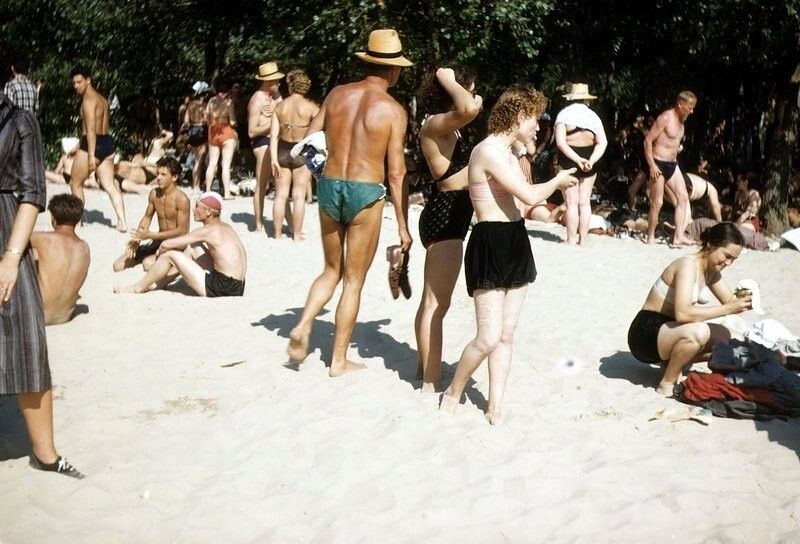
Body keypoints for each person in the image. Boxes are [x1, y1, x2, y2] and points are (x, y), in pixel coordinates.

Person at [439, 85, 578, 424]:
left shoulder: (508, 151)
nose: (538, 128)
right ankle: (453, 391)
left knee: (506, 335)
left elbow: (521, 200)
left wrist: (524, 146)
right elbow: (529, 196)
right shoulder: (488, 151)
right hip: (489, 240)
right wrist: (558, 180)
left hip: (514, 238)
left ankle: (495, 404)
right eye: (534, 120)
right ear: (519, 116)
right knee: (487, 337)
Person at [286, 28, 413, 377]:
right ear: (394, 70)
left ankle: (303, 324)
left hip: (329, 185)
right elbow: (397, 173)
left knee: (331, 270)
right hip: (365, 192)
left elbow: (308, 140)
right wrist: (403, 226)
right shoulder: (393, 111)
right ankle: (338, 361)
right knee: (353, 281)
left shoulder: (337, 94)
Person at [0, 93, 84, 477]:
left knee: (25, 340)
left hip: (7, 232)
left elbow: (33, 194)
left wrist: (11, 257)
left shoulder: (19, 121)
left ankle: (45, 453)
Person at [412, 65, 481, 391]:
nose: (473, 94)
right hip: (445, 216)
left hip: (449, 214)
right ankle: (430, 380)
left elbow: (470, 108)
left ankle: (423, 366)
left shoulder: (447, 126)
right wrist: (447, 78)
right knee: (437, 305)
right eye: (469, 87)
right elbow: (469, 107)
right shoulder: (434, 123)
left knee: (432, 302)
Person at [627, 222, 752, 397]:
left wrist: (747, 298)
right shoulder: (687, 265)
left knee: (736, 340)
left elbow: (730, 301)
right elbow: (683, 313)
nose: (729, 263)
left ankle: (672, 362)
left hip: (671, 330)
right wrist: (728, 308)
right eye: (727, 256)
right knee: (700, 332)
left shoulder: (711, 271)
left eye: (734, 259)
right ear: (711, 245)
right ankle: (667, 383)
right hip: (646, 333)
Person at [115, 191, 246, 297]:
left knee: (170, 255)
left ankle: (137, 288)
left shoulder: (208, 231)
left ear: (208, 211)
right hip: (238, 286)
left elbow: (166, 244)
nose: (193, 210)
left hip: (223, 287)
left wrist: (159, 252)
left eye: (197, 206)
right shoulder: (226, 227)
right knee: (192, 247)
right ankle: (157, 283)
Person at [69, 65, 128, 232]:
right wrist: (79, 146)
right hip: (107, 143)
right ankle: (122, 221)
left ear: (88, 80)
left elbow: (91, 131)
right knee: (109, 185)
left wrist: (90, 156)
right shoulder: (102, 99)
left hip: (92, 145)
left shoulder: (88, 102)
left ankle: (78, 221)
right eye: (74, 83)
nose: (76, 86)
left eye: (79, 82)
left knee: (75, 183)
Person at [113, 156, 190, 272]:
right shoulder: (154, 194)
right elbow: (147, 218)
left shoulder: (182, 199)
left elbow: (181, 231)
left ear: (174, 177)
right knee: (118, 266)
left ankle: (179, 264)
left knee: (147, 264)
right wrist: (137, 240)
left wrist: (151, 235)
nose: (158, 177)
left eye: (163, 175)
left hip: (176, 244)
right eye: (158, 173)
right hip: (158, 241)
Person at [555, 83, 607, 246]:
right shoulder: (594, 117)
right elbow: (602, 142)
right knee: (585, 203)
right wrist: (591, 160)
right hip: (589, 158)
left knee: (571, 203)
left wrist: (577, 159)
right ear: (586, 99)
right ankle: (583, 240)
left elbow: (561, 143)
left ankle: (571, 239)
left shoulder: (564, 115)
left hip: (569, 159)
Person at [270, 69, 320, 240]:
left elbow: (274, 135)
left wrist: (273, 159)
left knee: (280, 195)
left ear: (291, 85)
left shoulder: (280, 107)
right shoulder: (311, 107)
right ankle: (297, 235)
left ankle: (277, 235)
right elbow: (319, 133)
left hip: (282, 150)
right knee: (299, 195)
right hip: (301, 151)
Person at [644, 91, 697, 245]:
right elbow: (648, 141)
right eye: (690, 107)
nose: (692, 111)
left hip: (672, 164)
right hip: (658, 163)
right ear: (680, 105)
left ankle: (678, 235)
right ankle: (650, 236)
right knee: (657, 202)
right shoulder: (666, 118)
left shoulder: (682, 120)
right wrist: (652, 165)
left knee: (683, 197)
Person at [29, 194, 90, 325]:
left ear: (53, 217)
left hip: (38, 315)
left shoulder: (42, 239)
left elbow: (10, 241)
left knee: (17, 253)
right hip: (64, 317)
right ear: (78, 220)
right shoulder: (85, 248)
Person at [248, 62, 283, 232]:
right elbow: (251, 132)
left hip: (274, 141)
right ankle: (258, 224)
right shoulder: (257, 100)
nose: (279, 83)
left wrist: (276, 105)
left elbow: (283, 107)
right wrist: (272, 125)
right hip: (262, 142)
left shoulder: (274, 96)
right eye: (276, 80)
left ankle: (288, 225)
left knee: (280, 185)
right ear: (268, 81)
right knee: (261, 185)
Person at [204, 79, 237, 199]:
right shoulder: (228, 102)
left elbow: (206, 118)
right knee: (226, 165)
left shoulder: (211, 101)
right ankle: (227, 193)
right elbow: (232, 121)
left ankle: (207, 190)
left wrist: (211, 126)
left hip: (213, 131)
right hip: (226, 131)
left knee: (212, 163)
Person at [184, 83, 209, 191]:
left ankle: (195, 183)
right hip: (201, 131)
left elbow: (186, 121)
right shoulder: (205, 106)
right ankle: (197, 185)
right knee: (199, 161)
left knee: (196, 159)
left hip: (192, 131)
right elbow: (206, 120)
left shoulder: (190, 106)